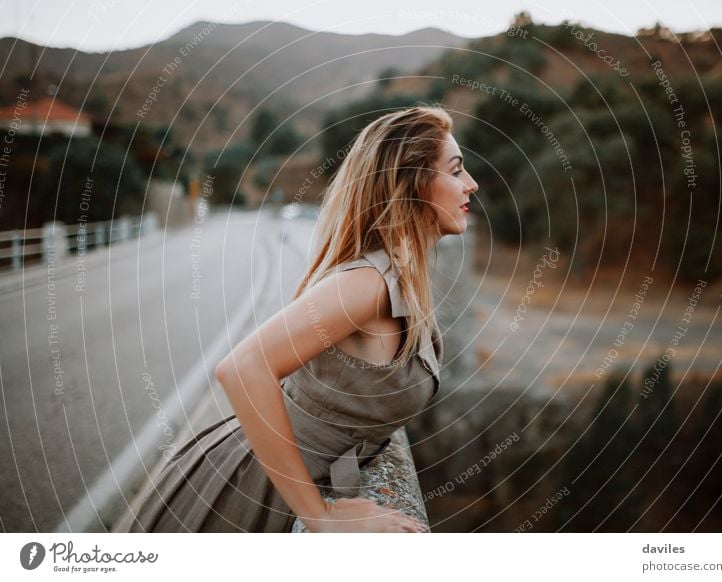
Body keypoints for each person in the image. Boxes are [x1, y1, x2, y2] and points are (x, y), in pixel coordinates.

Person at [125, 105, 479, 533]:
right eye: (456, 170)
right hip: (249, 488)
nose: (471, 184)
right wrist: (321, 516)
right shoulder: (368, 283)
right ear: (410, 182)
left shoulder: (398, 275)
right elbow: (241, 367)